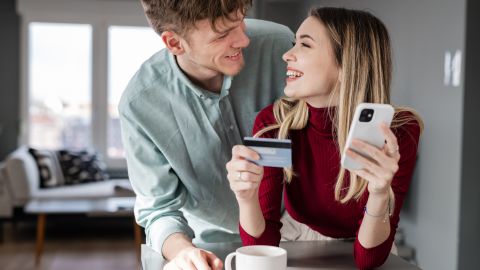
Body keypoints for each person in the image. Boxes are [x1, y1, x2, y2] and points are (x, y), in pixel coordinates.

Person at [226, 7, 423, 270]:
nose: (287, 55)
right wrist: (246, 198)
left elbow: (368, 260)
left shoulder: (399, 131)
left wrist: (378, 193)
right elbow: (262, 248)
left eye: (304, 45)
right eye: (294, 43)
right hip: (298, 239)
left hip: (370, 238)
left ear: (346, 67)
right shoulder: (274, 123)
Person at [118, 0, 293, 269]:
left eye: (240, 21)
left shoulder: (280, 46)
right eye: (222, 35)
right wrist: (184, 252)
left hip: (302, 236)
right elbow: (159, 211)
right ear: (175, 43)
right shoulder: (140, 104)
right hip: (215, 248)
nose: (243, 40)